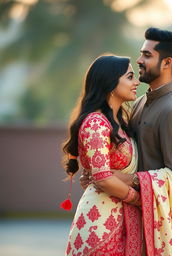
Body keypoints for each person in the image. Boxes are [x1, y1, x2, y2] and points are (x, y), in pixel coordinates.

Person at [81, 27, 172, 256]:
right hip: (135, 218)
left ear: (166, 63)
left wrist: (121, 178)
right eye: (141, 53)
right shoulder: (141, 102)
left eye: (147, 55)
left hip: (163, 227)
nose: (139, 60)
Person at [62, 55, 143, 255]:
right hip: (100, 223)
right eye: (130, 76)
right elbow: (102, 177)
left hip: (118, 216)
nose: (136, 82)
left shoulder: (120, 123)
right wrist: (139, 199)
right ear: (111, 82)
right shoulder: (96, 123)